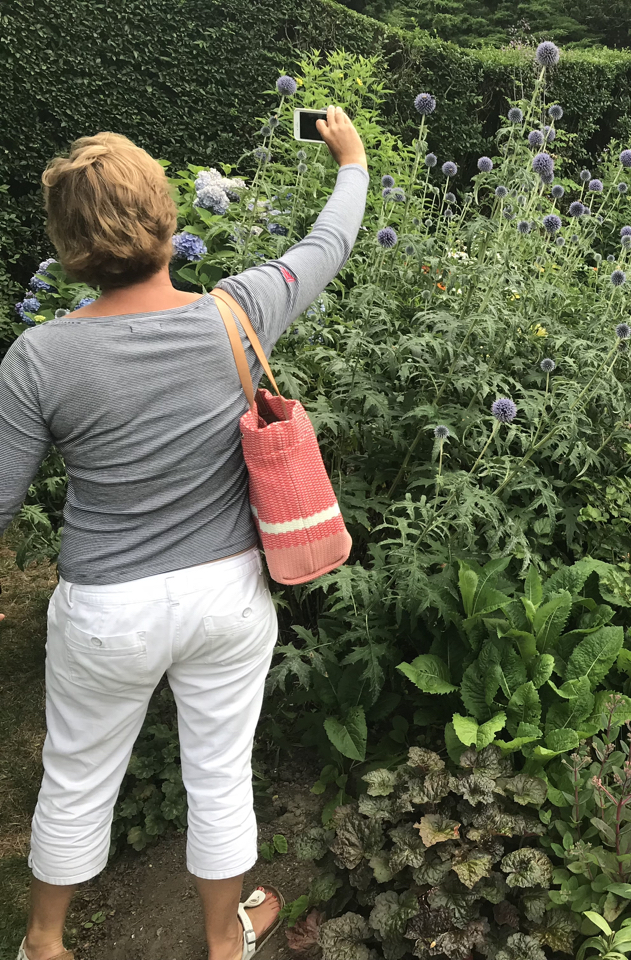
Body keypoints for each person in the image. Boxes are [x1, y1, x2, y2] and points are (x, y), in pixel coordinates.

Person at [0, 107, 368, 960]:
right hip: (226, 599)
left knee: (76, 775)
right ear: (166, 220)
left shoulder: (38, 358)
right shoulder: (237, 313)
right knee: (220, 773)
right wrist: (349, 160)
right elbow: (329, 242)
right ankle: (223, 942)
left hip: (105, 609)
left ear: (69, 245)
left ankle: (44, 945)